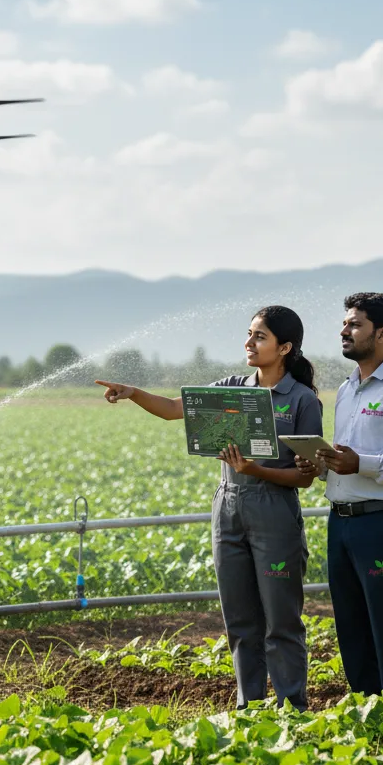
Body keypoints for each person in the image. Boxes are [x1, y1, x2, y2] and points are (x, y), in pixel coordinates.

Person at [97, 305, 323, 712]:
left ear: (285, 347)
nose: (249, 343)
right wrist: (132, 393)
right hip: (228, 506)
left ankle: (293, 710)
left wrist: (255, 469)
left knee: (281, 622)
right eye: (249, 334)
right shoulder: (231, 388)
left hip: (273, 510)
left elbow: (305, 476)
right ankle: (248, 709)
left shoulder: (302, 400)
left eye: (260, 337)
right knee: (239, 621)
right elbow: (172, 409)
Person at [295, 292, 383, 728]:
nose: (344, 330)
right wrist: (319, 466)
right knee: (352, 629)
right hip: (341, 523)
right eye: (344, 324)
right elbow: (346, 460)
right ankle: (369, 717)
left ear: (382, 333)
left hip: (382, 523)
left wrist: (364, 464)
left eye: (354, 324)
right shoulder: (346, 389)